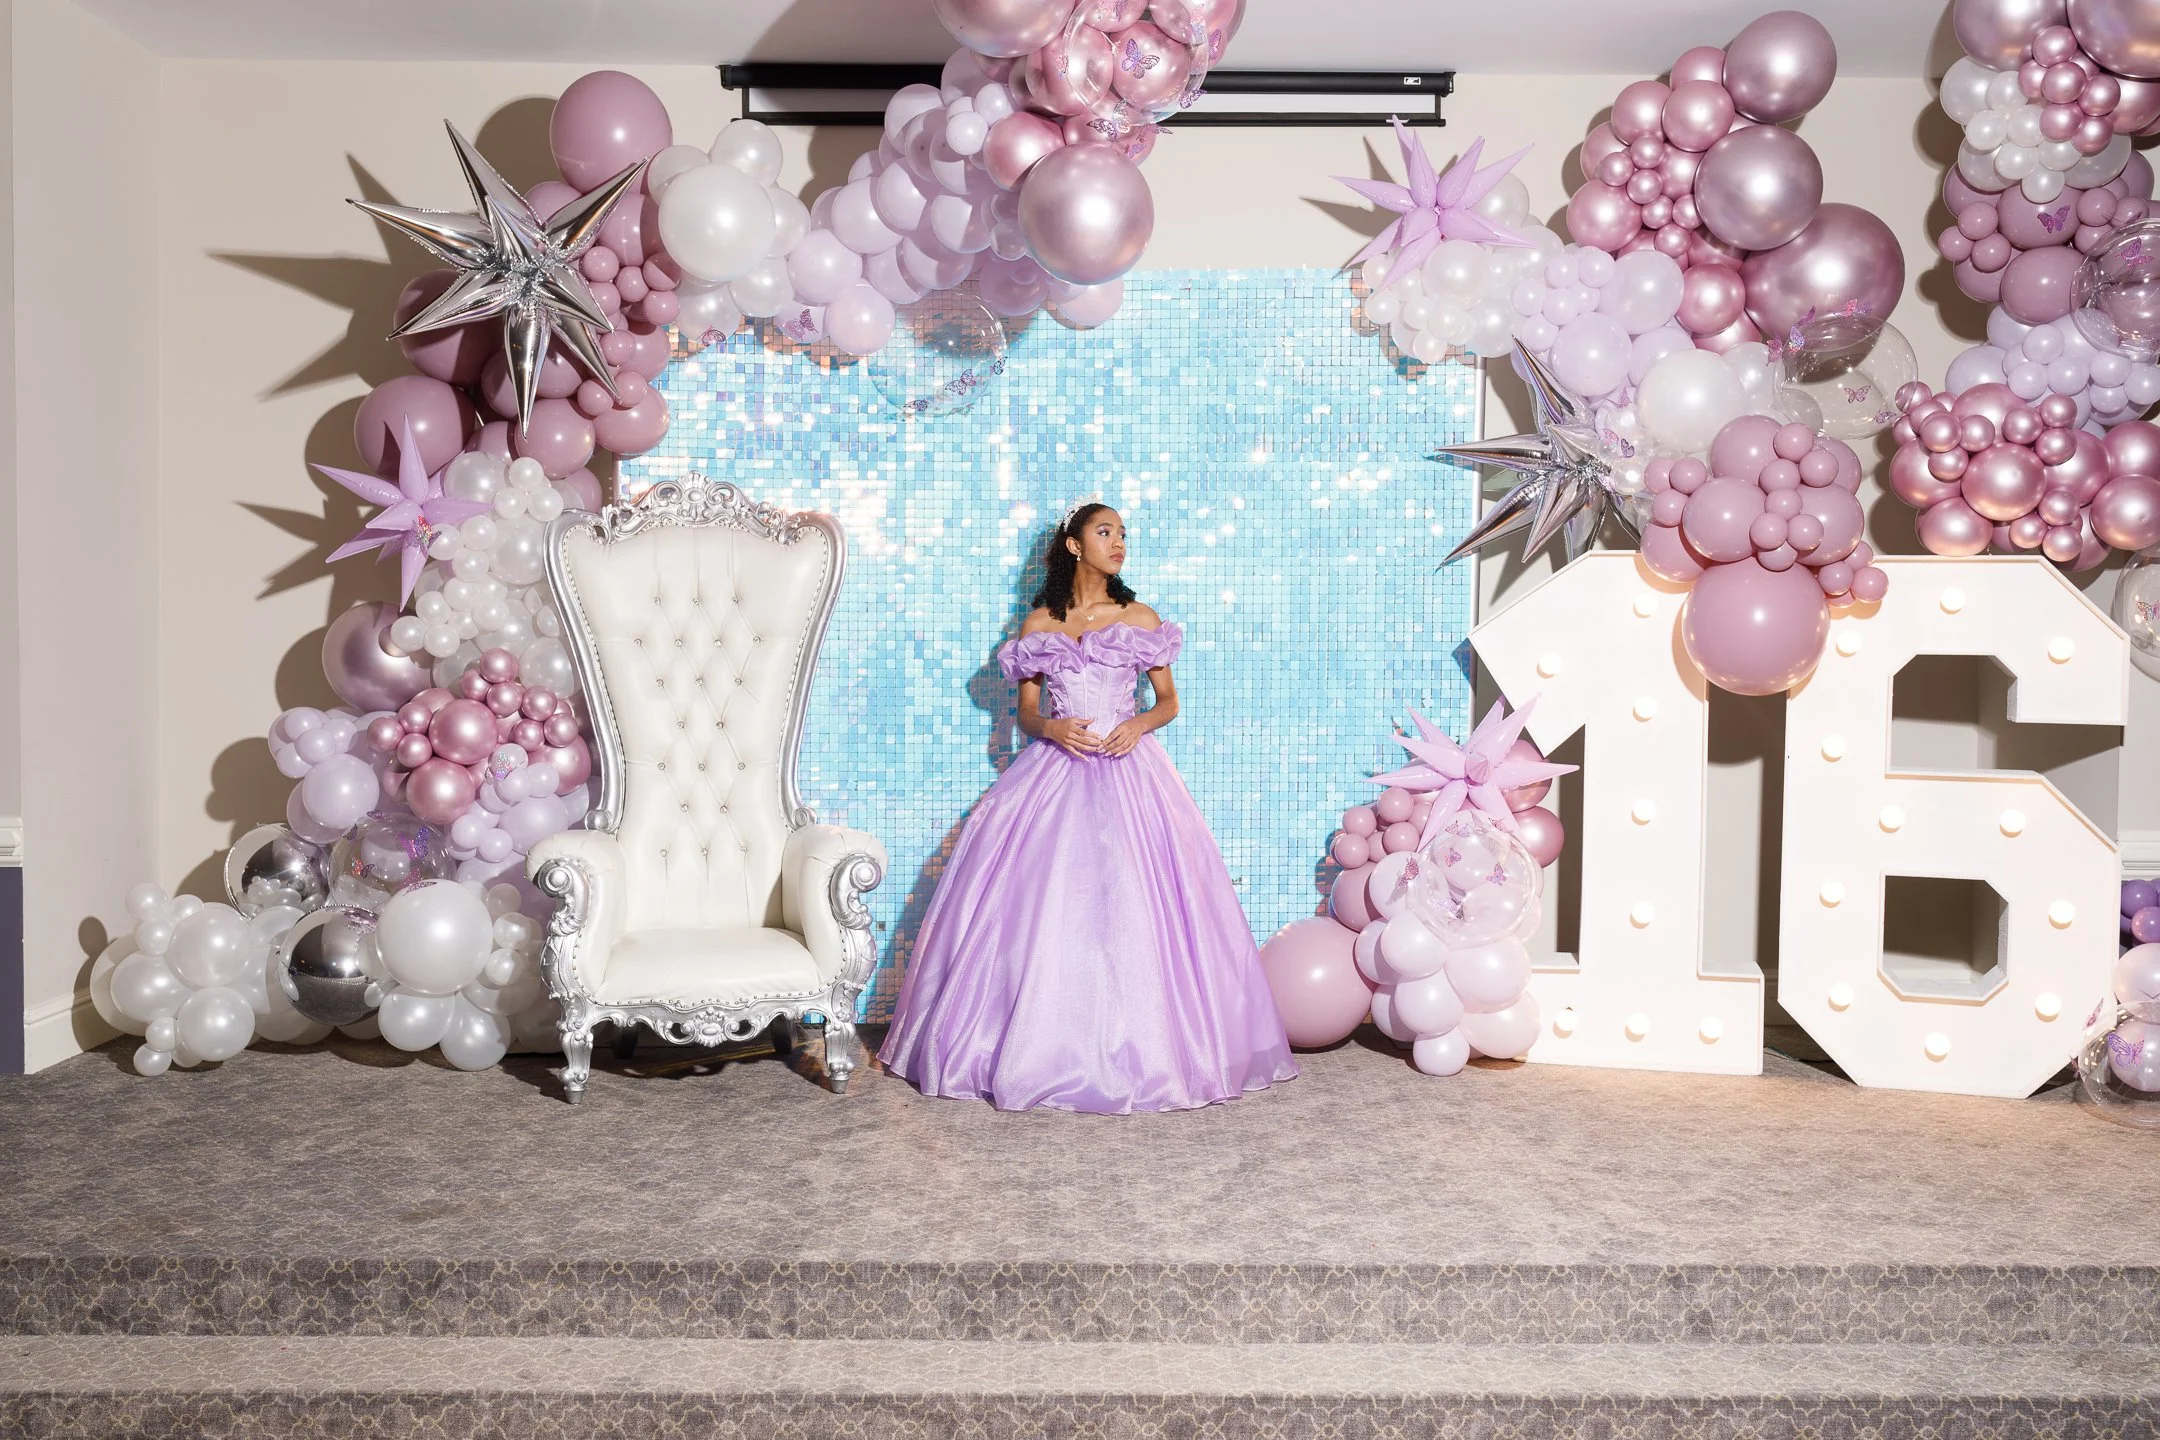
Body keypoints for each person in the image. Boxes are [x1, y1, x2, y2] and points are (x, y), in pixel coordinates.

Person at [878, 502, 1297, 1112]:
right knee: (1045, 904)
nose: (1119, 543)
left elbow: (1169, 701)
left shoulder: (1139, 617)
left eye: (1123, 534)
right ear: (1075, 545)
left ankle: (1149, 1049)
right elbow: (1023, 714)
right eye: (1106, 533)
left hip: (1130, 771)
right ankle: (1040, 1046)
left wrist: (1138, 726)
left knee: (1135, 902)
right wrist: (1050, 730)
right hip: (1056, 769)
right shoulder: (1039, 625)